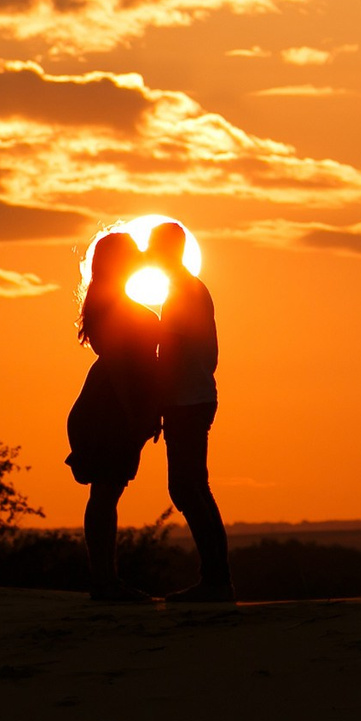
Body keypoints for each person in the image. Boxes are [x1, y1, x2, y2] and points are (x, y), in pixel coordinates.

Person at [64, 228, 163, 602]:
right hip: (108, 410)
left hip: (108, 406)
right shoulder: (116, 308)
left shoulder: (109, 304)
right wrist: (137, 414)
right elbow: (123, 371)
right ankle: (104, 582)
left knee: (106, 494)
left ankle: (105, 579)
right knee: (105, 494)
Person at [146, 220, 233, 603]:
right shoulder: (191, 289)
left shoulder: (182, 292)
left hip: (186, 400)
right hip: (197, 396)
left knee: (185, 488)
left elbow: (172, 354)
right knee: (195, 487)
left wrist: (159, 402)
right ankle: (216, 578)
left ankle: (215, 580)